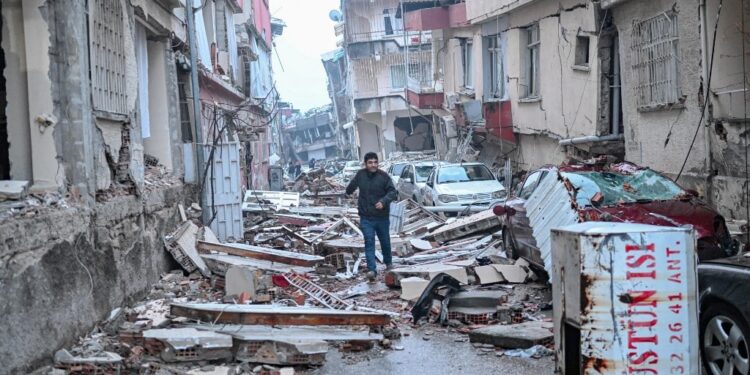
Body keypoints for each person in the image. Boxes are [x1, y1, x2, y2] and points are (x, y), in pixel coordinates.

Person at [345, 152, 397, 281]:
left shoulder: (384, 177)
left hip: (381, 217)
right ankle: (372, 270)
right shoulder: (360, 175)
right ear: (365, 164)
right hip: (366, 217)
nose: (373, 165)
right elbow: (351, 187)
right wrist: (348, 191)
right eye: (370, 162)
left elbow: (393, 192)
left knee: (385, 241)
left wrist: (384, 201)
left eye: (375, 162)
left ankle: (388, 263)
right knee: (369, 242)